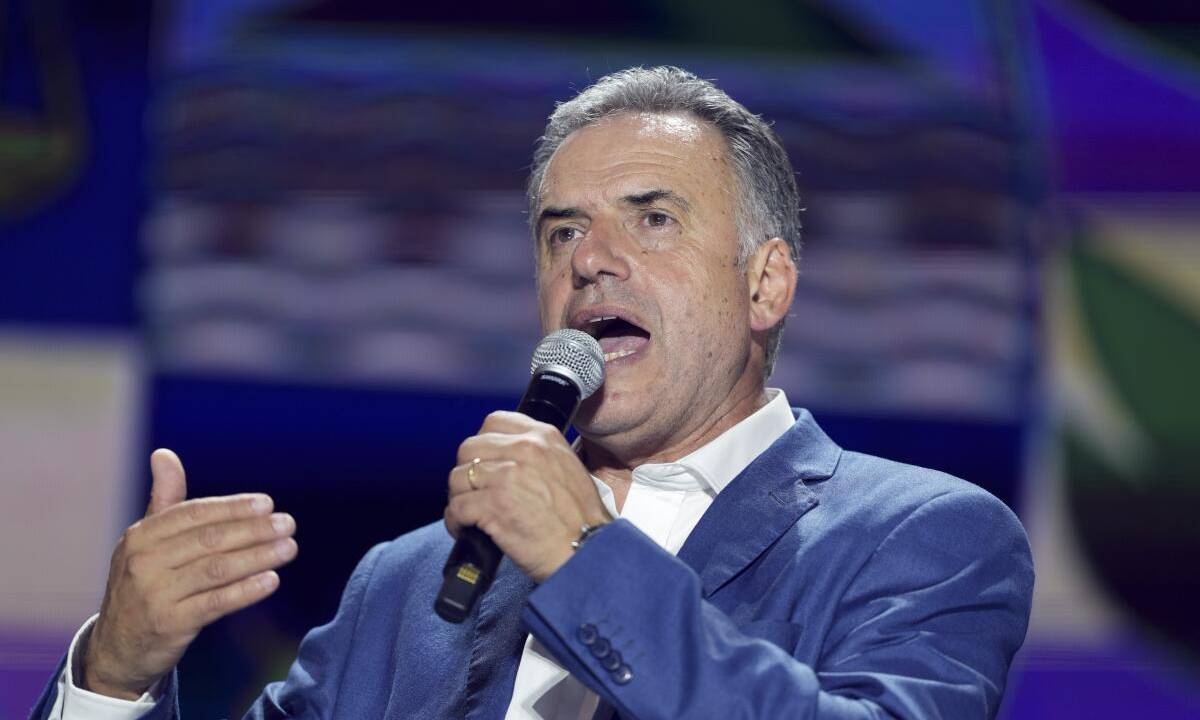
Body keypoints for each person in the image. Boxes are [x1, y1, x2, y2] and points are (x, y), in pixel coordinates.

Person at [30, 66, 1034, 720]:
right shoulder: (408, 582)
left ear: (765, 284)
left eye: (652, 219)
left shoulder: (923, 537)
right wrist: (112, 677)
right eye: (562, 232)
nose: (590, 260)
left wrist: (585, 559)